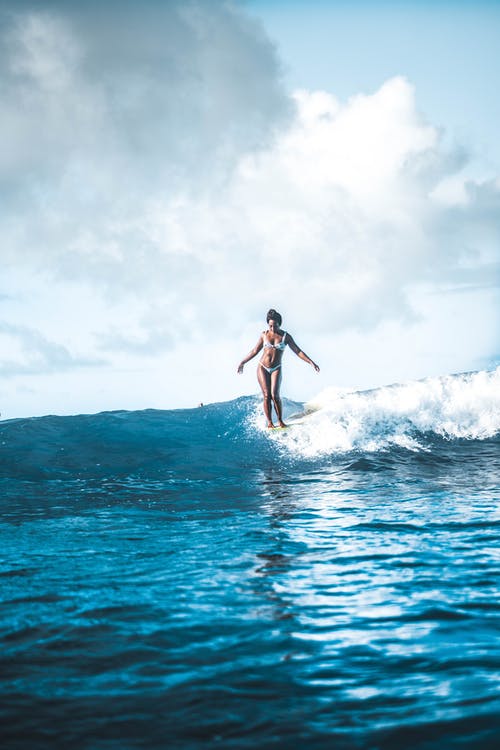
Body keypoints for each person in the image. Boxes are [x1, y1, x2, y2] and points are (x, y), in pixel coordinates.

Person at [237, 308, 320, 428]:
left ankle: (280, 421)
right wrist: (242, 362)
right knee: (267, 395)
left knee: (275, 395)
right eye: (270, 325)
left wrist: (311, 362)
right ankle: (270, 422)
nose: (272, 328)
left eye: (275, 325)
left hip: (276, 368)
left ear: (279, 324)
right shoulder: (264, 335)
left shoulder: (285, 336)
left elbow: (298, 351)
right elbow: (255, 350)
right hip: (262, 367)